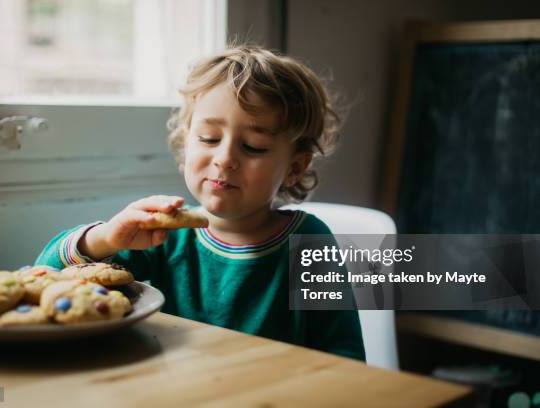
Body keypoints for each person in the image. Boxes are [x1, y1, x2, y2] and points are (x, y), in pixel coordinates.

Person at [36, 45, 365, 361]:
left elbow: (346, 354)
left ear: (295, 167)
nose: (224, 159)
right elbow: (46, 273)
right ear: (186, 141)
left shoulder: (310, 242)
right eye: (209, 138)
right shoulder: (164, 234)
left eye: (253, 146)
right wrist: (106, 237)